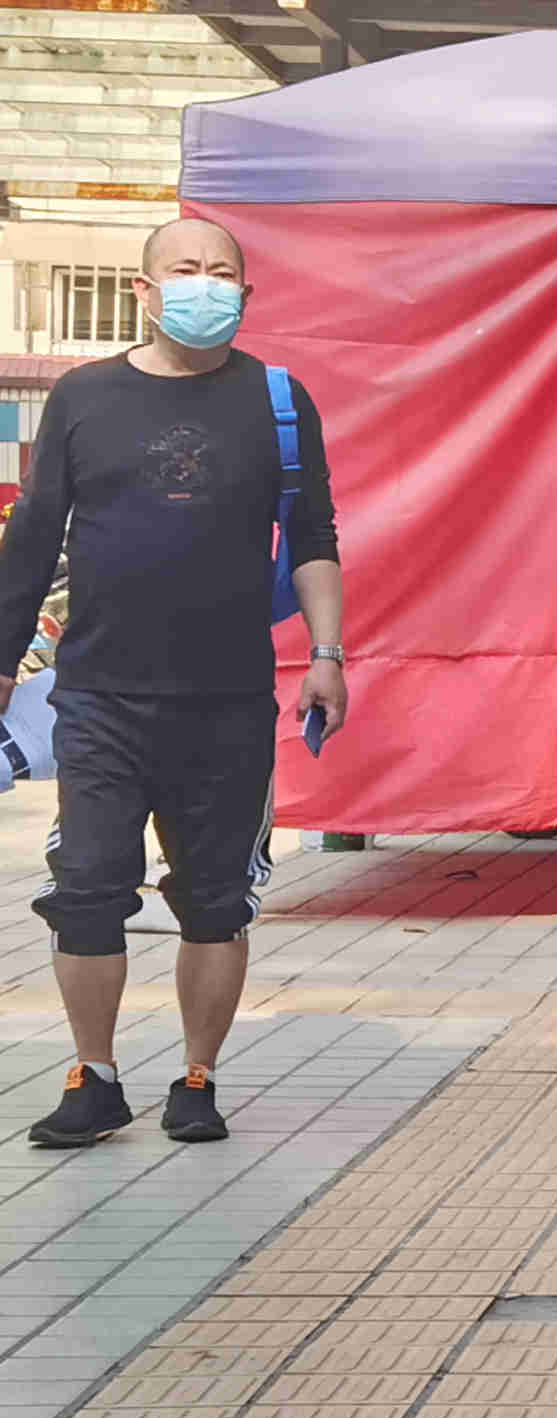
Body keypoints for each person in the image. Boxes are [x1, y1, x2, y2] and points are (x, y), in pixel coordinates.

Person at [0, 216, 345, 1149]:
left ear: (246, 293)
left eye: (222, 272)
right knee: (86, 886)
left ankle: (198, 1077)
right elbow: (32, 538)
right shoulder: (84, 396)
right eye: (185, 270)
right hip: (100, 697)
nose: (205, 285)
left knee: (216, 898)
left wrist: (327, 654)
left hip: (228, 701)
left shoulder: (278, 401)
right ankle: (95, 1076)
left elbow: (312, 536)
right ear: (144, 292)